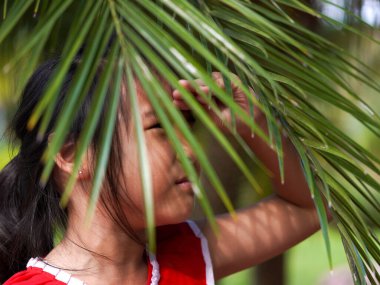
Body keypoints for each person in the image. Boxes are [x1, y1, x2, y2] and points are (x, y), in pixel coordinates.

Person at [0, 57, 326, 285]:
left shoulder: (188, 254)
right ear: (74, 156)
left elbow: (312, 208)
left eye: (185, 126)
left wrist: (256, 124)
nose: (189, 150)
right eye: (159, 127)